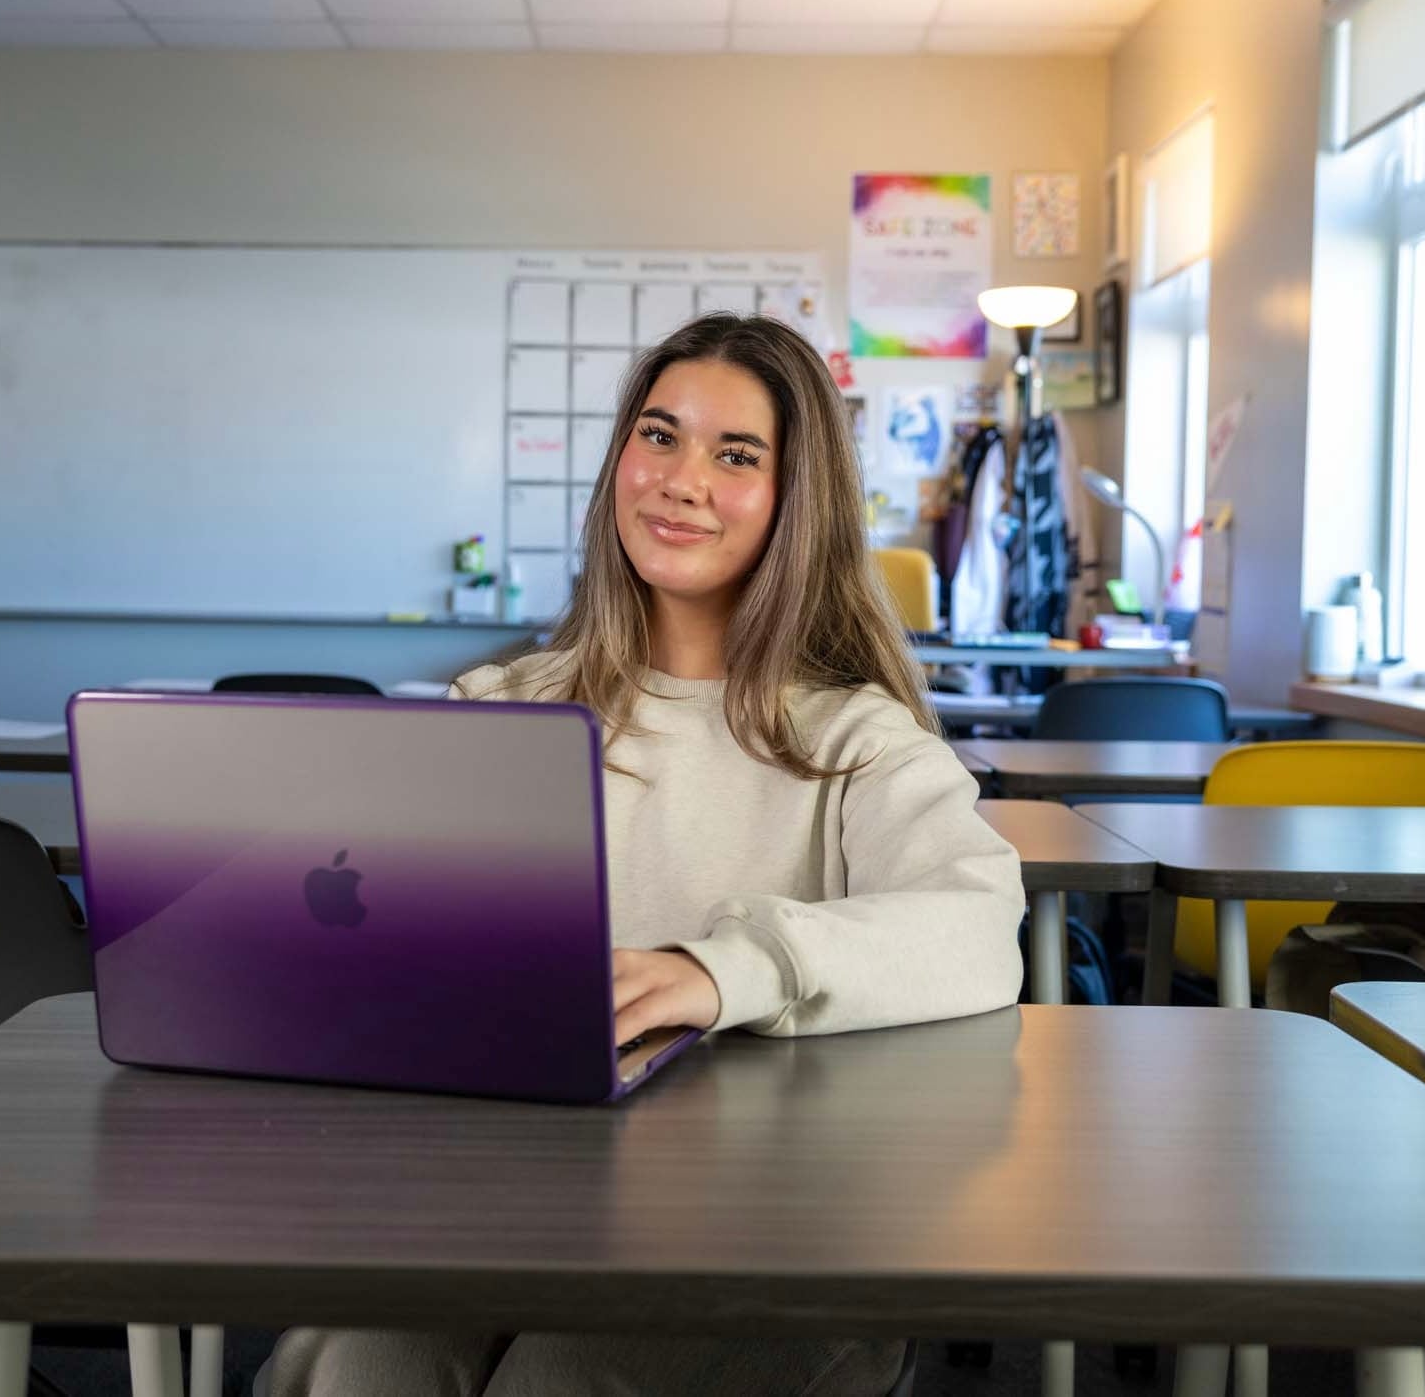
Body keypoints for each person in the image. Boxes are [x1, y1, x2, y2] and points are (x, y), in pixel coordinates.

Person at [269, 312, 1024, 1397]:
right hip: (512, 1200)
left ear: (795, 500)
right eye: (659, 436)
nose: (679, 480)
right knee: (358, 1366)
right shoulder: (497, 707)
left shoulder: (857, 738)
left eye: (735, 455)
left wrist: (721, 969)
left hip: (769, 1224)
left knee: (560, 1382)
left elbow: (979, 924)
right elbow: (375, 924)